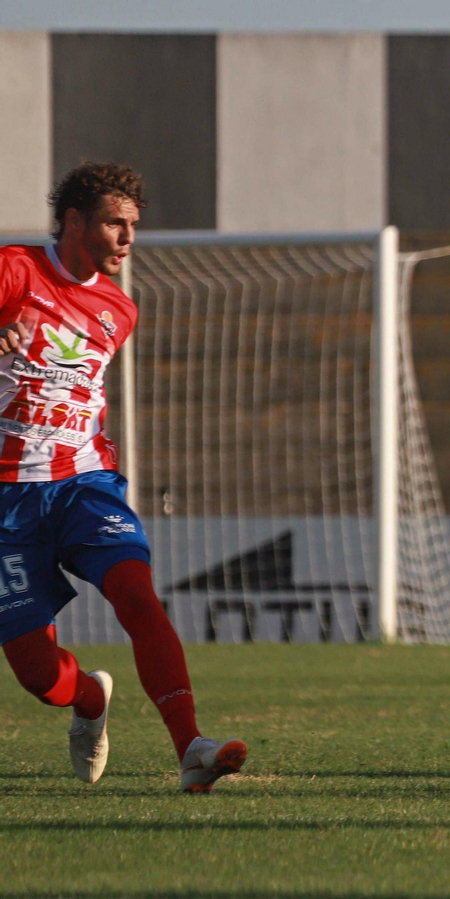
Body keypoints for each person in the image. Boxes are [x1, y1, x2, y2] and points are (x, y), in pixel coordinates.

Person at [0, 161, 247, 792]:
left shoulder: (119, 310)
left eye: (134, 224)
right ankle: (88, 701)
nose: (127, 238)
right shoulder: (14, 272)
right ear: (76, 221)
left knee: (137, 596)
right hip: (7, 500)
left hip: (84, 482)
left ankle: (191, 747)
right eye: (115, 223)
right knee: (36, 674)